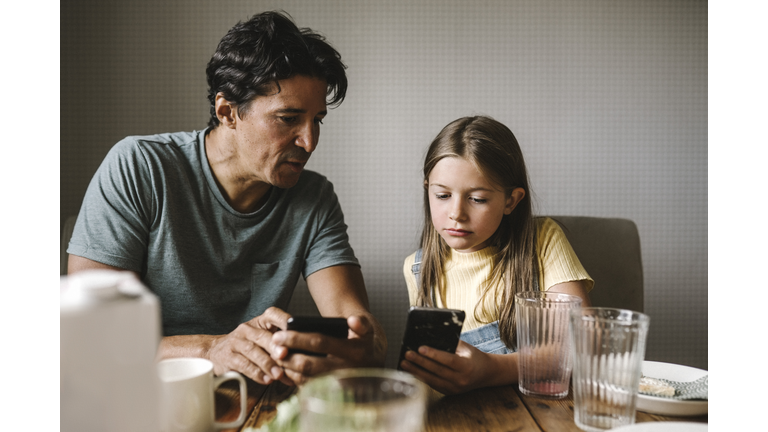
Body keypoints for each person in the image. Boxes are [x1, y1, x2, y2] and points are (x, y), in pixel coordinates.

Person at [67, 11, 386, 386]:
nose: (310, 141)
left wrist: (356, 350)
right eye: (288, 119)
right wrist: (210, 349)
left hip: (253, 400)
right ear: (227, 112)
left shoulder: (314, 198)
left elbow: (365, 332)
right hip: (142, 396)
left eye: (317, 120)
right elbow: (90, 337)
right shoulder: (139, 167)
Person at [399, 116, 593, 394]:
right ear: (427, 188)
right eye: (442, 195)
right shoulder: (417, 268)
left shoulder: (543, 240)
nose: (456, 213)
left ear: (511, 201)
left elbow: (579, 344)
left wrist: (491, 369)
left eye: (477, 199)